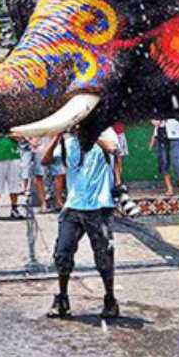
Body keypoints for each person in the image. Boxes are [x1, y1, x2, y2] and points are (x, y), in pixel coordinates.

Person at [44, 126, 120, 320]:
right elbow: (45, 161)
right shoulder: (69, 143)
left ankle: (110, 299)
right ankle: (62, 298)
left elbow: (112, 148)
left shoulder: (105, 133)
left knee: (104, 256)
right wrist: (56, 137)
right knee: (62, 253)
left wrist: (91, 134)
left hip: (100, 207)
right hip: (74, 207)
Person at [151, 119, 179, 196]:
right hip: (160, 134)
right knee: (164, 161)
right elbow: (152, 117)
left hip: (176, 134)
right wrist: (154, 121)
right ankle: (169, 188)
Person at [0, 135, 23, 219]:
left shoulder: (14, 124)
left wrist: (11, 135)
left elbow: (20, 137)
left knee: (15, 184)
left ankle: (14, 209)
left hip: (14, 156)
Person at [19, 135, 49, 213]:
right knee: (25, 169)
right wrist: (29, 140)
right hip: (26, 146)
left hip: (41, 145)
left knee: (40, 175)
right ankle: (25, 189)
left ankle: (44, 203)